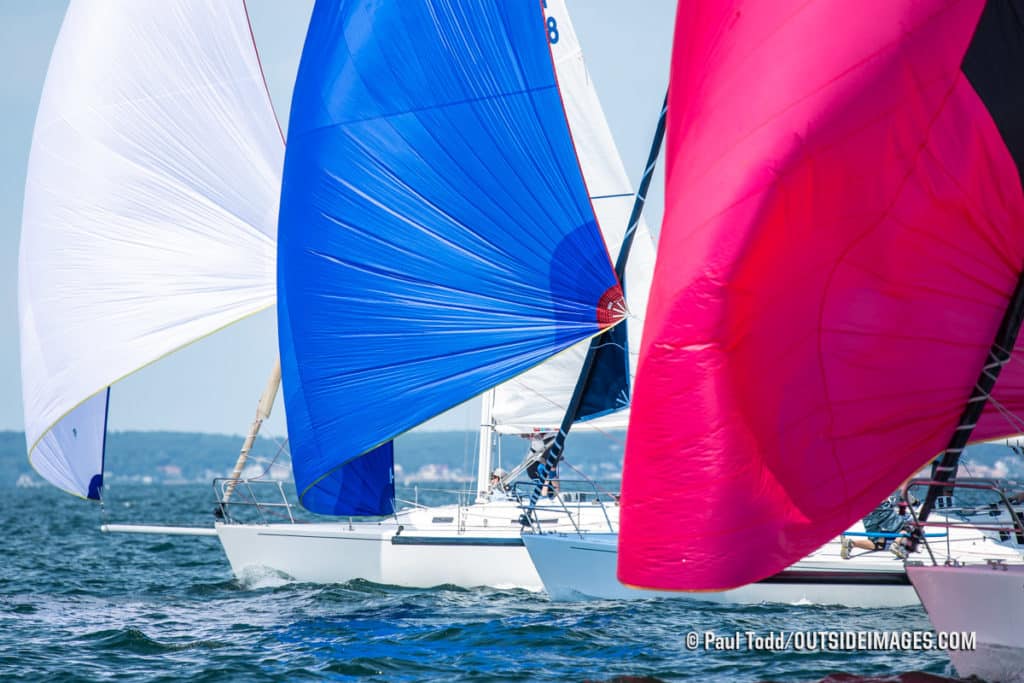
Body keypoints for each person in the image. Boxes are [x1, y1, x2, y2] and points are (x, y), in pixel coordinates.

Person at [841, 493, 912, 560]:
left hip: (865, 511)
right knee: (907, 526)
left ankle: (852, 543)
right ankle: (896, 545)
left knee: (875, 542)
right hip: (881, 507)